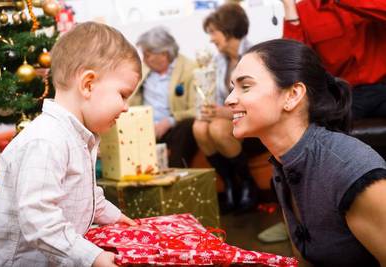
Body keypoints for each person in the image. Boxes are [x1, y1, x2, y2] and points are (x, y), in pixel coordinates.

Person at [0, 22, 141, 267]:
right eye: (123, 94)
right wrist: (91, 257)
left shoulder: (77, 136)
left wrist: (114, 217)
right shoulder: (47, 140)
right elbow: (38, 217)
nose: (125, 106)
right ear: (88, 85)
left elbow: (82, 192)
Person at [226, 38, 386, 266]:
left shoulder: (351, 171)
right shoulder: (284, 162)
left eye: (245, 86)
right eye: (232, 87)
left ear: (292, 95)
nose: (229, 99)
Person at [192, 3, 264, 213]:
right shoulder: (219, 60)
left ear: (229, 29)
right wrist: (209, 110)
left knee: (217, 129)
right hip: (232, 117)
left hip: (253, 117)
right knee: (199, 126)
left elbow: (259, 100)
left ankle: (247, 182)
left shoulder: (255, 56)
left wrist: (225, 112)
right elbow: (215, 97)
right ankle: (231, 184)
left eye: (214, 32)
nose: (211, 38)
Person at [281, 0, 386, 120]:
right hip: (344, 96)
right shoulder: (304, 10)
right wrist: (289, 7)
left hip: (382, 88)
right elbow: (293, 62)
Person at [131, 26, 197, 168]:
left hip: (174, 127)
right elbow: (131, 98)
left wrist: (168, 122)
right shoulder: (143, 70)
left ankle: (176, 173)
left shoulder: (190, 69)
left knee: (186, 127)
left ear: (164, 54)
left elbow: (196, 109)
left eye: (147, 55)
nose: (145, 59)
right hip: (146, 126)